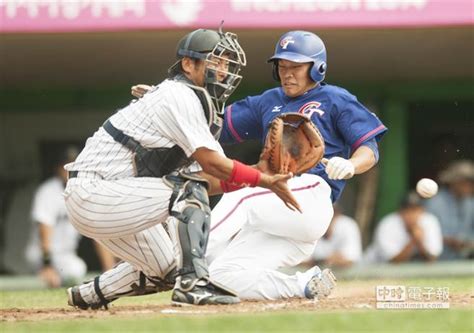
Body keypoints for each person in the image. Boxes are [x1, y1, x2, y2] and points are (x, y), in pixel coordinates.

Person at [132, 30, 387, 301]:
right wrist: (169, 104)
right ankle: (303, 285)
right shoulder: (268, 101)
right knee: (221, 274)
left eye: (296, 67)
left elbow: (368, 149)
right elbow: (210, 124)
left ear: (317, 68)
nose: (288, 73)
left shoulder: (335, 98)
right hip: (276, 215)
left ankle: (182, 262)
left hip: (310, 195)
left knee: (243, 193)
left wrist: (350, 164)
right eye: (282, 66)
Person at [64, 27, 299, 309]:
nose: (223, 70)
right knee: (186, 190)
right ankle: (193, 284)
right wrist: (263, 179)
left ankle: (89, 295)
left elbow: (210, 179)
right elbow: (211, 167)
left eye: (226, 63)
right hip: (93, 191)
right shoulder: (178, 94)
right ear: (188, 64)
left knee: (166, 270)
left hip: (120, 197)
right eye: (215, 60)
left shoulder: (198, 108)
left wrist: (259, 172)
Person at [25, 147, 116, 288]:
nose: (70, 170)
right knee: (73, 271)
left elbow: (97, 233)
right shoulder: (48, 191)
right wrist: (47, 265)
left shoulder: (84, 192)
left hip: (65, 256)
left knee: (77, 269)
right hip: (41, 255)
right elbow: (44, 229)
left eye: (74, 165)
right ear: (58, 168)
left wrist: (110, 270)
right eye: (66, 165)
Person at [362, 192, 443, 263]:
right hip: (373, 268)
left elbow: (432, 259)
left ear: (422, 210)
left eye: (415, 210)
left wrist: (420, 243)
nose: (411, 215)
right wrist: (413, 241)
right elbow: (393, 261)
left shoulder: (429, 221)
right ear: (400, 211)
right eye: (407, 210)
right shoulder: (388, 224)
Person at [425, 160, 474, 260]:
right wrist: (449, 241)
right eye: (465, 181)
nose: (469, 185)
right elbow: (425, 234)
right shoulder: (435, 202)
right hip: (436, 262)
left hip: (463, 261)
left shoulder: (470, 203)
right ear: (454, 182)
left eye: (471, 182)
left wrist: (468, 242)